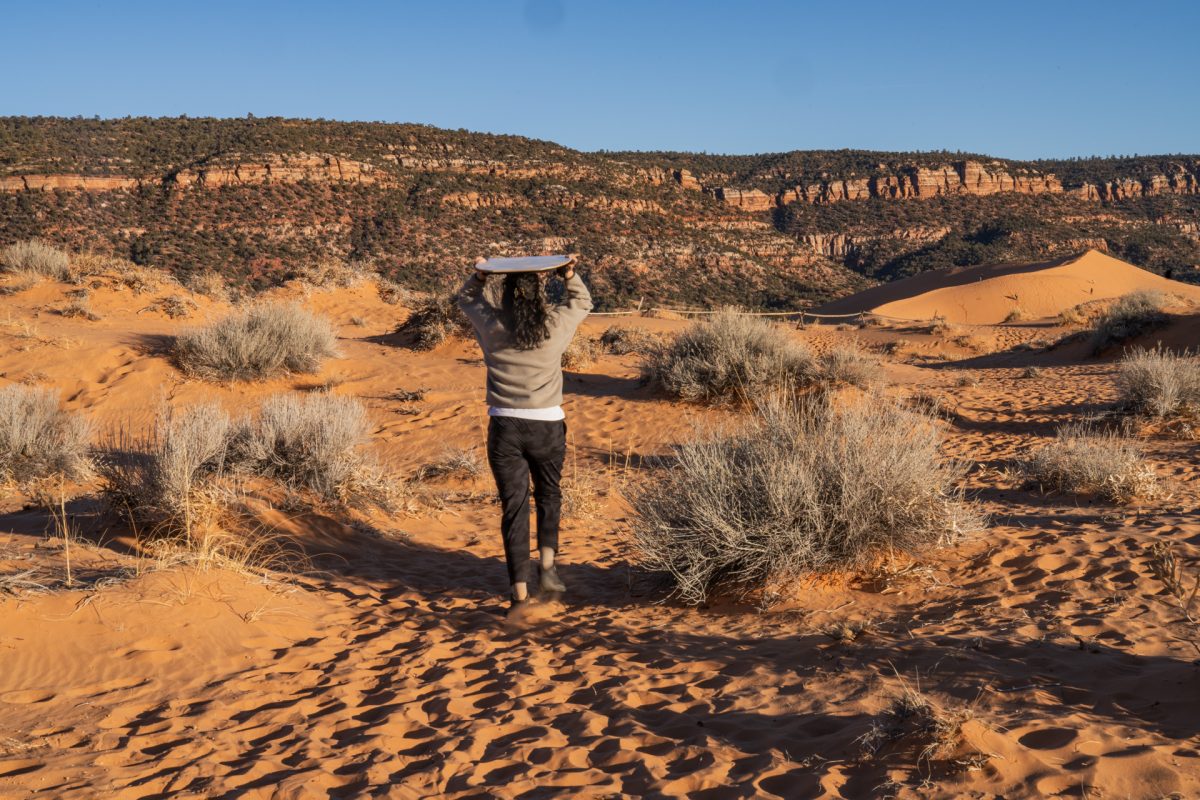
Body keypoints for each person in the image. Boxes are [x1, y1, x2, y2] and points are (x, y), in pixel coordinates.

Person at [456, 255, 594, 611]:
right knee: (550, 495)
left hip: (505, 426)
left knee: (513, 509)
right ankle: (547, 567)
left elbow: (466, 300)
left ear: (507, 294)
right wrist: (568, 274)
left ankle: (519, 595)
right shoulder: (555, 324)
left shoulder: (491, 324)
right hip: (547, 424)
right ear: (539, 295)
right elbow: (582, 302)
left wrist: (480, 276)